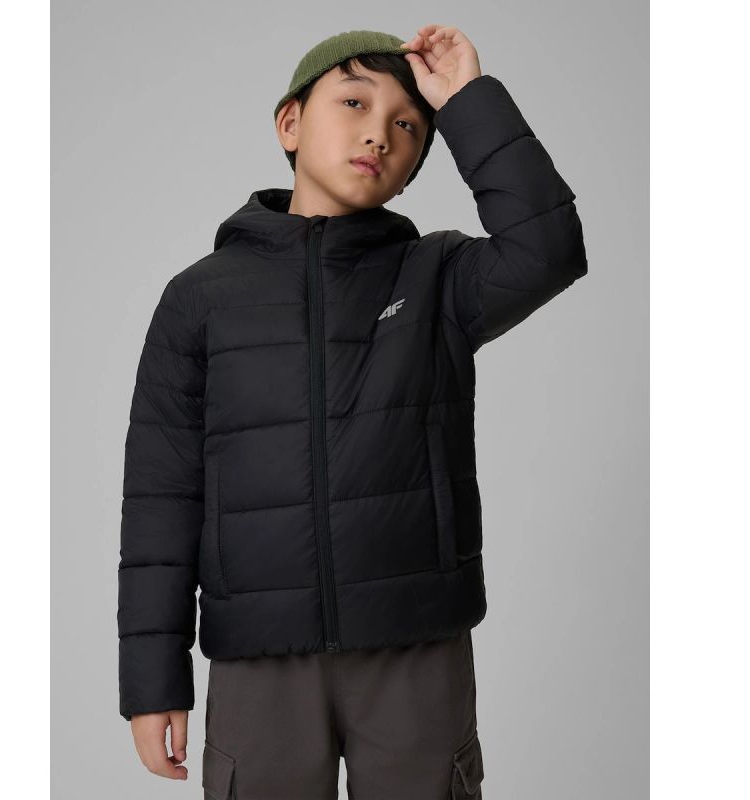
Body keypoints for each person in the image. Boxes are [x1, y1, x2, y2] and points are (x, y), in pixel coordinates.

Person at [117, 24, 588, 800]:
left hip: (415, 645)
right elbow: (161, 496)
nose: (380, 134)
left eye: (409, 126)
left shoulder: (438, 278)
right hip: (260, 657)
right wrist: (152, 677)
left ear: (410, 174)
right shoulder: (199, 298)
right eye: (354, 102)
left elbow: (550, 247)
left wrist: (466, 101)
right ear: (290, 123)